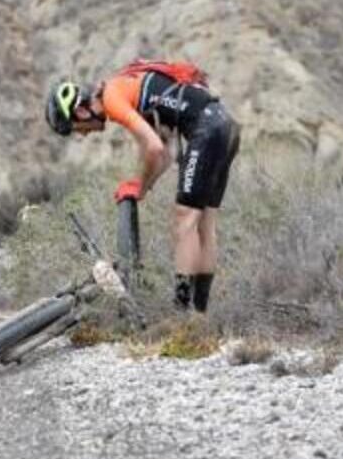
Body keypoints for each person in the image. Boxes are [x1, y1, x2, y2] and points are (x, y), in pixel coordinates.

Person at [45, 61, 240, 313]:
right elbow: (166, 153)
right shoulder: (131, 90)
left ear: (81, 112)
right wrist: (142, 187)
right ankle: (199, 315)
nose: (82, 135)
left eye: (76, 129)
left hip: (208, 128)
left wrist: (138, 186)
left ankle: (182, 315)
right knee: (205, 224)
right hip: (226, 125)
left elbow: (154, 149)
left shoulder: (113, 96)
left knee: (185, 220)